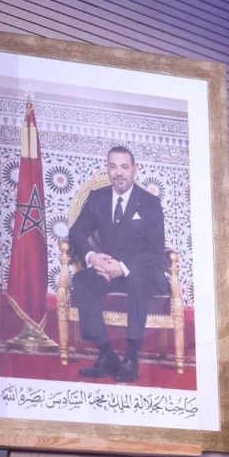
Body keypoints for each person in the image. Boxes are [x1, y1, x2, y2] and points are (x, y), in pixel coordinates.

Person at [69, 145, 169, 383]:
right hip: (108, 271)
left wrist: (122, 267)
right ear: (107, 169)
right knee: (82, 280)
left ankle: (131, 357)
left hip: (142, 273)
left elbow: (155, 250)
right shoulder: (98, 198)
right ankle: (107, 354)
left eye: (124, 167)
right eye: (113, 167)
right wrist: (92, 257)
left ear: (135, 169)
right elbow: (76, 233)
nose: (119, 173)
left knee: (136, 280)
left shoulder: (150, 203)